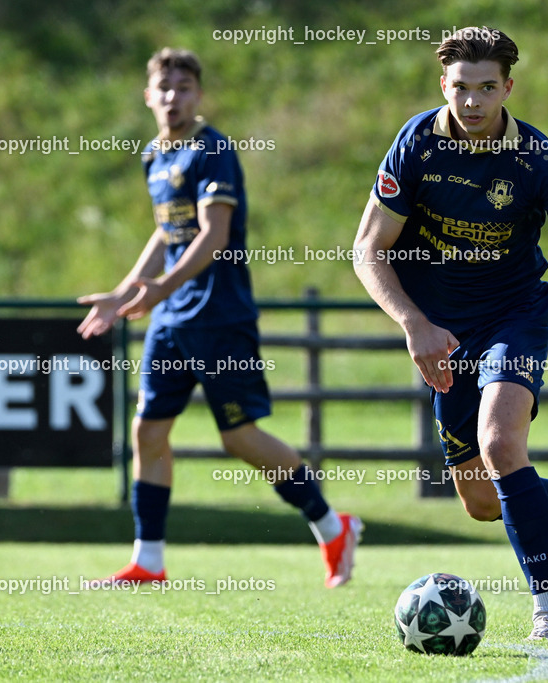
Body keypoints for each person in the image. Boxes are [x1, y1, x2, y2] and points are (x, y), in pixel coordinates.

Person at [353, 27, 548, 639]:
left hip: (514, 319)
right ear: (443, 86)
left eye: (486, 88)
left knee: (502, 447)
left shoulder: (538, 160)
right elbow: (368, 251)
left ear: (508, 86)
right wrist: (414, 324)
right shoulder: (416, 145)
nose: (473, 101)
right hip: (442, 336)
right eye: (461, 88)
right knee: (482, 502)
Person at [78, 47, 360, 588]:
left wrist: (158, 288)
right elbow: (168, 231)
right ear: (147, 97)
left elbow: (214, 235)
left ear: (198, 96)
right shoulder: (155, 155)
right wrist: (123, 292)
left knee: (239, 437)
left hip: (218, 314)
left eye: (183, 87)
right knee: (148, 430)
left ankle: (331, 524)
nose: (172, 97)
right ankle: (149, 562)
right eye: (163, 88)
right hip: (172, 317)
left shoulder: (213, 151)